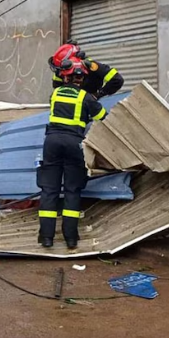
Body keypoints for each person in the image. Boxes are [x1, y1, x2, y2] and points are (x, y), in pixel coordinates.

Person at [38, 57, 107, 250]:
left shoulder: (55, 94)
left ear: (65, 77)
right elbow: (103, 117)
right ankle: (70, 239)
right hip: (74, 144)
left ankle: (46, 238)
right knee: (72, 190)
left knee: (49, 190)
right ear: (82, 79)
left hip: (51, 142)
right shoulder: (85, 97)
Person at [48, 41, 124, 99]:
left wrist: (98, 95)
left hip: (90, 105)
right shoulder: (60, 70)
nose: (61, 72)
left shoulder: (92, 66)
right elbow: (56, 87)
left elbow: (117, 79)